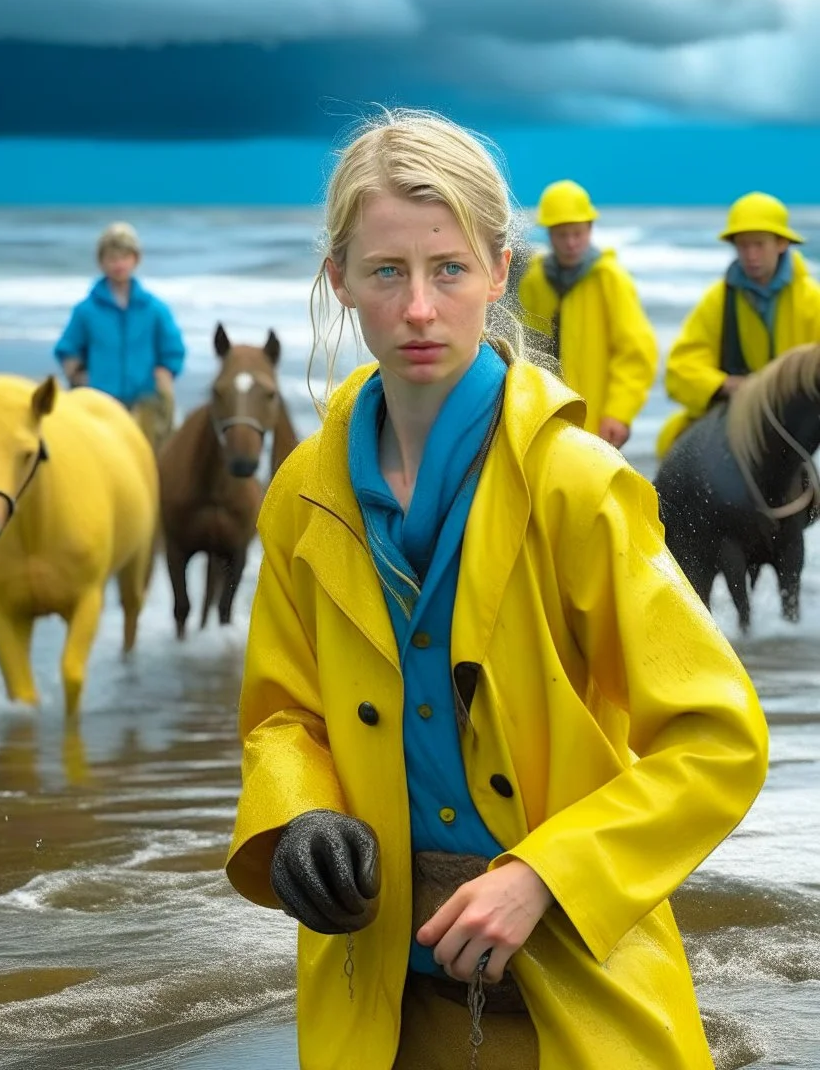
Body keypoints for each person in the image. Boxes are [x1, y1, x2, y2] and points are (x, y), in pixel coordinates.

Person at [225, 112, 768, 1070]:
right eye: (386, 272)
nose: (421, 309)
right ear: (339, 279)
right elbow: (283, 717)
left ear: (499, 272)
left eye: (449, 269)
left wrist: (546, 875)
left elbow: (719, 739)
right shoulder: (303, 497)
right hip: (380, 996)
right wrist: (298, 814)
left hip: (576, 989)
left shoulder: (579, 489)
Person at [658, 191, 820, 458]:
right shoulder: (718, 299)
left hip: (790, 434)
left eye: (758, 244)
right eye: (743, 245)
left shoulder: (812, 301)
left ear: (782, 243)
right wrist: (726, 384)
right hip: (730, 429)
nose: (751, 255)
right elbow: (679, 369)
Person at [515, 179, 658, 448]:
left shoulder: (610, 278)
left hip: (597, 420)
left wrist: (619, 413)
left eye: (577, 233)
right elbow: (526, 350)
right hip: (547, 416)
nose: (571, 243)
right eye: (562, 234)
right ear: (549, 234)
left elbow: (636, 351)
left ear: (590, 229)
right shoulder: (535, 279)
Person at [53, 222, 186, 452]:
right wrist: (77, 374)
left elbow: (173, 349)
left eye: (124, 257)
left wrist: (164, 373)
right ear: (101, 262)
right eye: (111, 258)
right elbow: (68, 348)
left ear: (136, 259)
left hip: (146, 402)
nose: (118, 264)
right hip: (100, 404)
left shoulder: (154, 309)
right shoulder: (87, 310)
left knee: (151, 459)